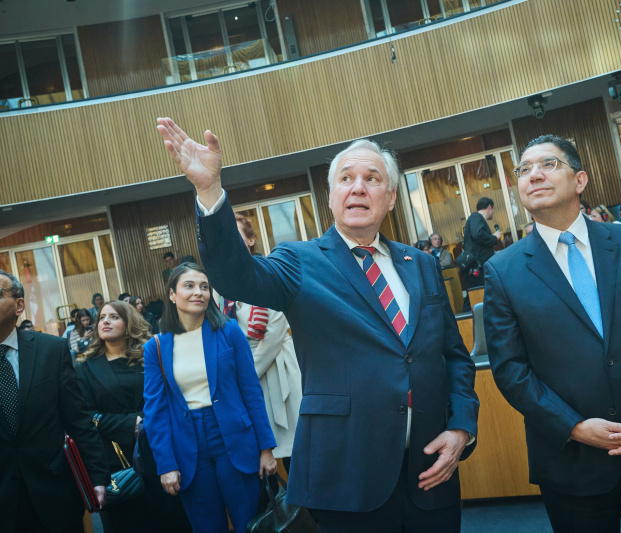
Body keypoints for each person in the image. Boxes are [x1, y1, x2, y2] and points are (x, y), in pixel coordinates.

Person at [156, 117, 479, 533]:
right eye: (346, 178)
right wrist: (209, 192)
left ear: (391, 197)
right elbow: (234, 275)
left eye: (372, 178)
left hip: (430, 473)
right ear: (331, 196)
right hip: (346, 477)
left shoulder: (422, 265)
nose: (358, 187)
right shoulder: (300, 261)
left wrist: (461, 429)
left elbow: (454, 358)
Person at [484, 135, 621, 532]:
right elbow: (511, 370)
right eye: (523, 170)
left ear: (580, 180)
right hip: (572, 464)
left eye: (547, 164)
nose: (533, 175)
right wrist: (574, 427)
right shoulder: (503, 270)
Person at [143, 263, 278, 533]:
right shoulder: (156, 346)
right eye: (189, 286)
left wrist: (266, 448)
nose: (199, 292)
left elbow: (251, 391)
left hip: (235, 438)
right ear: (172, 294)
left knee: (249, 523)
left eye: (204, 287)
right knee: (206, 526)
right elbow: (155, 412)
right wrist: (166, 464)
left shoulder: (229, 331)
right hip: (188, 445)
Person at [0, 269, 109, 532]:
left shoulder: (51, 350)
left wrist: (96, 475)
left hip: (54, 491)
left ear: (19, 305)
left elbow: (77, 418)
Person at [75, 300, 191, 533]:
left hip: (161, 453)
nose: (105, 321)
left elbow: (169, 398)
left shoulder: (151, 355)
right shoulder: (85, 366)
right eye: (102, 318)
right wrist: (130, 424)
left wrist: (148, 421)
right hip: (117, 461)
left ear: (130, 324)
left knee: (172, 521)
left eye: (114, 317)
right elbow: (86, 415)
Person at [218, 213, 302, 473]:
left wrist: (243, 378)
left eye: (237, 236)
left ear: (251, 239)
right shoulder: (220, 286)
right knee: (260, 452)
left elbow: (276, 332)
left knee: (293, 447)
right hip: (244, 372)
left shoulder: (269, 274)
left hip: (275, 365)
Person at [461, 197, 503, 311]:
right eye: (493, 209)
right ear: (489, 207)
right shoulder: (476, 217)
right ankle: (466, 324)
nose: (493, 212)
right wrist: (494, 237)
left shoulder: (475, 218)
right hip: (477, 267)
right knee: (474, 297)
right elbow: (478, 234)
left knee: (475, 297)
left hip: (477, 266)